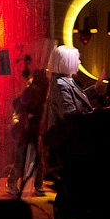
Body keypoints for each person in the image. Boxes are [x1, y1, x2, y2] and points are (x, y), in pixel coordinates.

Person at [42, 45, 94, 176]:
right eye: (77, 59)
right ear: (67, 62)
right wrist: (100, 114)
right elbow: (70, 117)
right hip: (69, 144)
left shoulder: (65, 81)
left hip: (71, 143)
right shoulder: (62, 85)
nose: (79, 62)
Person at [8, 66, 50, 199]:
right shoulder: (35, 91)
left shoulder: (38, 92)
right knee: (26, 159)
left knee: (29, 159)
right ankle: (32, 185)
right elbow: (17, 103)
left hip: (31, 129)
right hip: (26, 130)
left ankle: (22, 184)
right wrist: (27, 116)